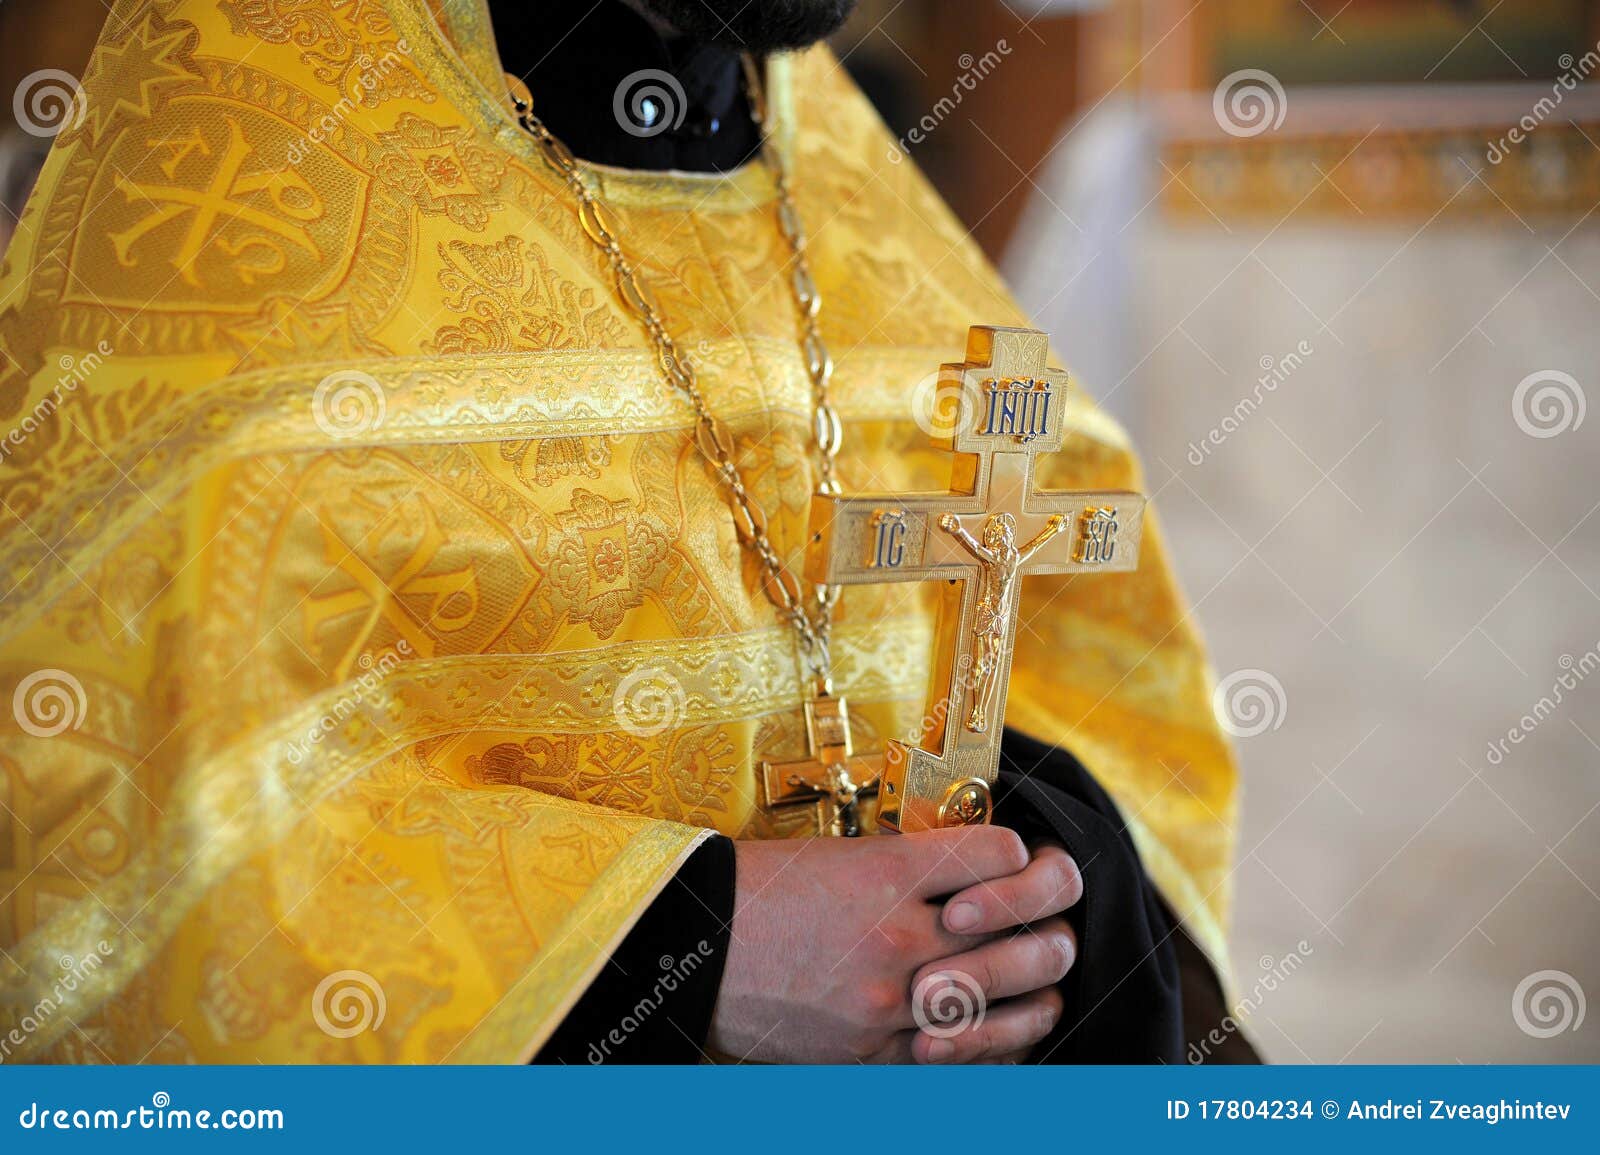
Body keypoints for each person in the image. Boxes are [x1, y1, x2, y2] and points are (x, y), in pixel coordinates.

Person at [0, 0, 1250, 1064]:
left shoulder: (814, 139)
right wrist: (690, 951)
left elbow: (1092, 675)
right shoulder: (251, 185)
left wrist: (1033, 894)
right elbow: (144, 843)